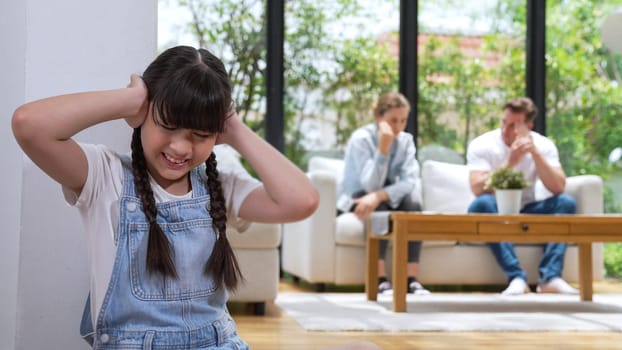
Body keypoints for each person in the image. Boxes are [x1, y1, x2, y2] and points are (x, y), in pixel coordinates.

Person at [12, 46, 379, 350]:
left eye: (200, 134)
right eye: (167, 126)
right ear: (142, 115)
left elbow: (304, 200)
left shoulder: (221, 186)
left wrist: (234, 127)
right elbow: (29, 125)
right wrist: (132, 99)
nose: (180, 147)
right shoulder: (103, 176)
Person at [466, 96, 578, 296]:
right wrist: (511, 161)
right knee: (482, 204)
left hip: (528, 209)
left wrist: (534, 153)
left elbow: (558, 187)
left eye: (513, 126)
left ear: (528, 126)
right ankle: (517, 277)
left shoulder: (544, 146)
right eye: (504, 122)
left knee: (565, 203)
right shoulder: (482, 144)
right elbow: (476, 187)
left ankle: (550, 278)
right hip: (496, 209)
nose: (505, 130)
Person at [337, 91, 429, 296]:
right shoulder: (361, 139)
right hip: (358, 196)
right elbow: (370, 185)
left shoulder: (406, 141)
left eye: (403, 120)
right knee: (380, 207)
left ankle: (410, 279)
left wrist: (379, 195)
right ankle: (379, 279)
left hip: (385, 196)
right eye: (393, 120)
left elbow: (408, 182)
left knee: (413, 202)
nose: (398, 127)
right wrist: (383, 148)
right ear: (379, 117)